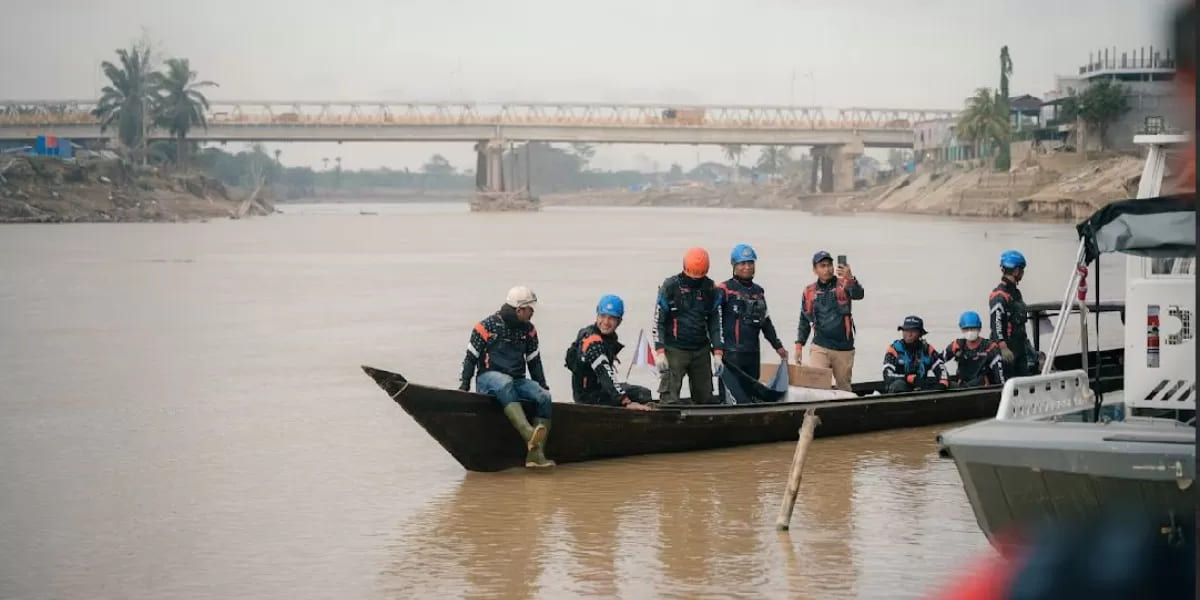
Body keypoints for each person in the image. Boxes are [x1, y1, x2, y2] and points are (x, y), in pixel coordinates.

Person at [459, 285, 554, 468]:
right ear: (519, 310)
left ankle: (534, 455)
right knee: (505, 382)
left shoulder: (530, 330)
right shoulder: (485, 327)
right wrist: (464, 386)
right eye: (530, 310)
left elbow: (534, 361)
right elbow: (470, 358)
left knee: (544, 397)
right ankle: (528, 434)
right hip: (488, 379)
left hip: (517, 381)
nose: (532, 313)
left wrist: (542, 385)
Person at [653, 247, 724, 405]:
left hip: (701, 350)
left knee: (705, 398)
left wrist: (718, 352)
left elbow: (715, 323)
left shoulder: (711, 289)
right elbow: (659, 320)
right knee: (668, 398)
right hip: (674, 349)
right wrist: (659, 351)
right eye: (693, 275)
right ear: (685, 268)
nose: (695, 280)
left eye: (699, 276)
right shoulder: (670, 287)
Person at [715, 244, 788, 387]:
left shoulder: (758, 291)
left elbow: (766, 322)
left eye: (750, 263)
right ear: (734, 265)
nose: (747, 267)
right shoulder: (724, 289)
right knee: (730, 392)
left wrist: (778, 347)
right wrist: (716, 350)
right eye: (743, 263)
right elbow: (712, 321)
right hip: (731, 353)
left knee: (752, 391)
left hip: (752, 353)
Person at [565, 294, 654, 410]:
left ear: (619, 321)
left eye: (611, 318)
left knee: (644, 393)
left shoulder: (607, 338)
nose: (606, 322)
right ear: (597, 315)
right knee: (642, 394)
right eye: (603, 316)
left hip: (599, 389)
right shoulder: (592, 340)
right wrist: (626, 402)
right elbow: (604, 373)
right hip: (588, 397)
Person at [795, 250, 865, 391]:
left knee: (844, 388)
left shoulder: (844, 284)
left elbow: (859, 294)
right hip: (820, 346)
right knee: (815, 388)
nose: (827, 269)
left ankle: (845, 412)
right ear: (815, 269)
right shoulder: (809, 291)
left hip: (844, 348)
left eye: (829, 265)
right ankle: (812, 414)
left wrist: (850, 278)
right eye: (823, 265)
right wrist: (799, 345)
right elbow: (804, 319)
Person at [990, 250, 1036, 378]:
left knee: (1025, 381)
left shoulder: (1016, 293)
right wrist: (1003, 347)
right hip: (1007, 350)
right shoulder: (999, 295)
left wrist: (1026, 343)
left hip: (1020, 346)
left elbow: (1019, 322)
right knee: (1008, 383)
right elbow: (996, 323)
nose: (1022, 273)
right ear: (1016, 271)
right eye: (1022, 270)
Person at [882, 315, 949, 393]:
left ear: (920, 334)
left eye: (913, 331)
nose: (909, 334)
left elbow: (941, 368)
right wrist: (909, 378)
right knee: (899, 385)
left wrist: (943, 383)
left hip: (922, 388)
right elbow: (887, 375)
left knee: (952, 386)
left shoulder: (927, 349)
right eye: (906, 330)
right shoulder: (894, 349)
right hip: (900, 389)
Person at [943, 311, 1005, 388]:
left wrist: (1001, 389)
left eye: (973, 328)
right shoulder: (957, 345)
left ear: (979, 328)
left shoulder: (990, 347)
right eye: (967, 329)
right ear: (961, 329)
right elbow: (939, 361)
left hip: (982, 388)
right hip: (962, 386)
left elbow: (999, 374)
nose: (970, 332)